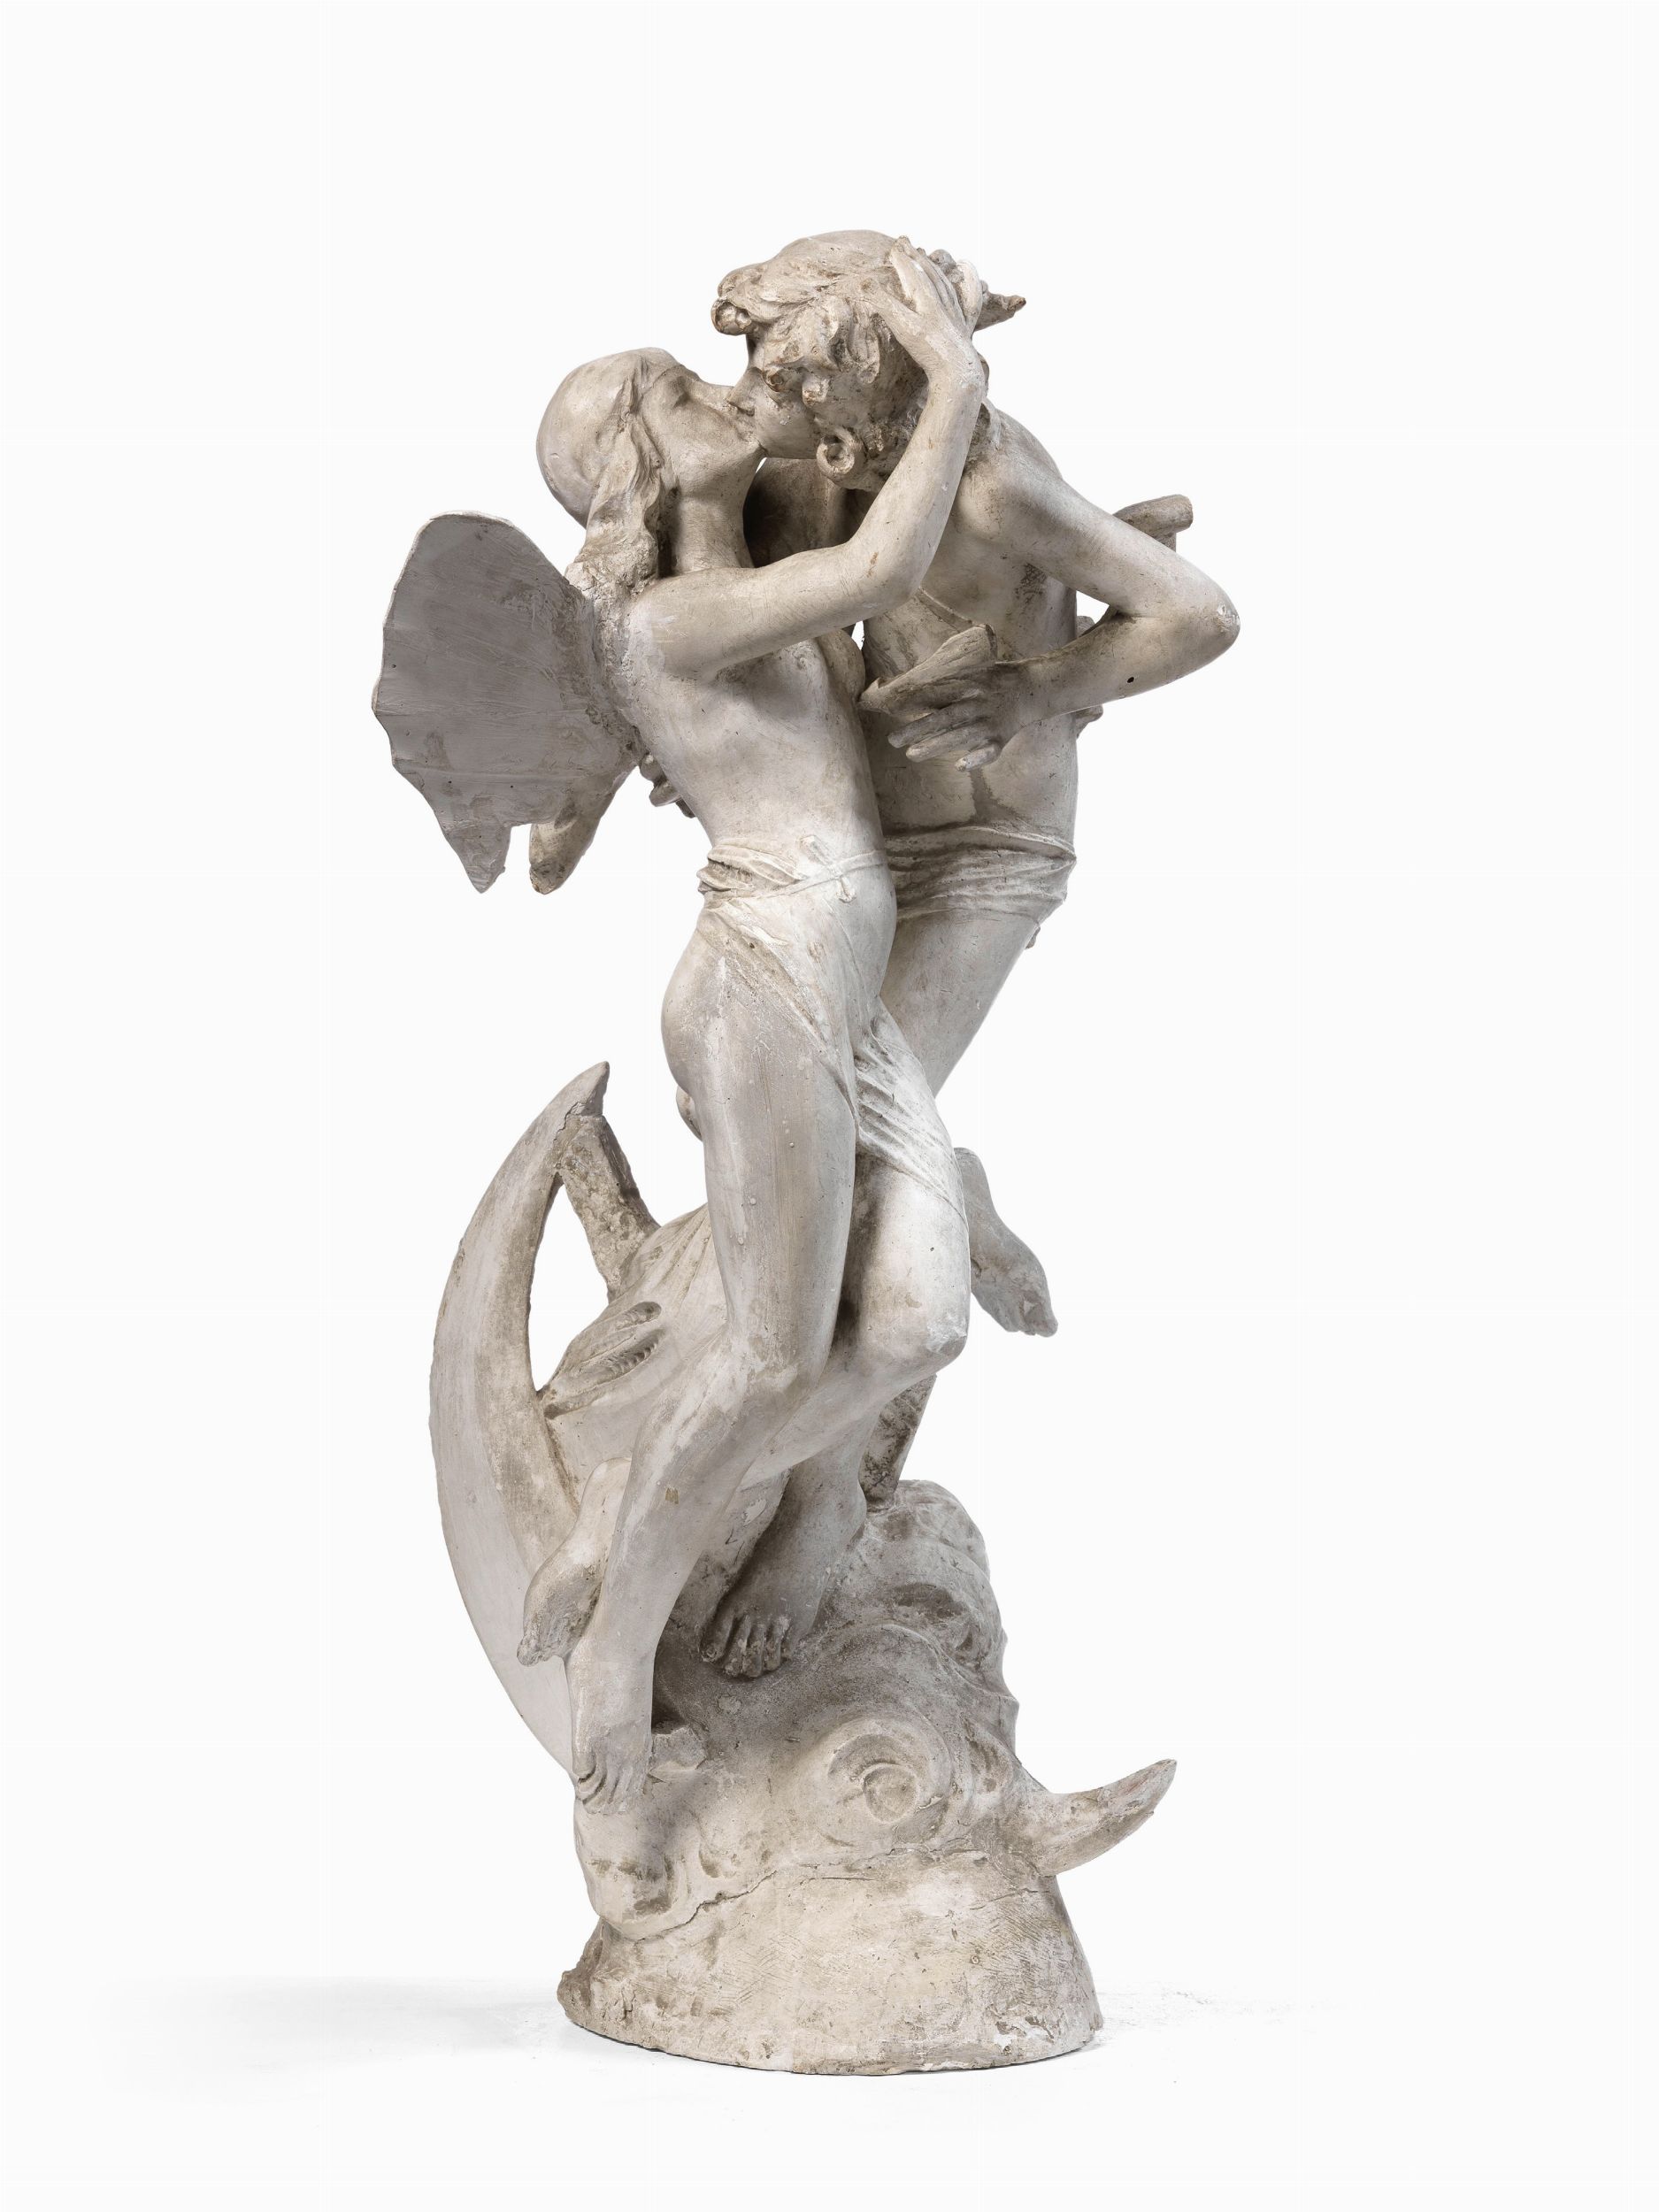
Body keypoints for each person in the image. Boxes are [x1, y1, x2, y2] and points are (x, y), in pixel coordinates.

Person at [519, 246, 986, 1809]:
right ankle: (615, 1645)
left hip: (839, 992)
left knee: (915, 1325)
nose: (709, 389)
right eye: (668, 393)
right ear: (636, 476)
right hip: (765, 983)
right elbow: (877, 572)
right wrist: (955, 377)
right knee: (776, 1354)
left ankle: (698, 1505)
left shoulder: (750, 567)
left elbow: (891, 545)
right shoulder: (671, 623)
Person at [719, 232, 1241, 1330]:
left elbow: (1198, 613)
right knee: (742, 1091)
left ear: (843, 402)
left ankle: (940, 1222)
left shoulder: (990, 487)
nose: (742, 400)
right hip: (860, 830)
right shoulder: (820, 481)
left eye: (773, 380)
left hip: (989, 841)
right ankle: (925, 1193)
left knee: (838, 1122)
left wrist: (1033, 689)